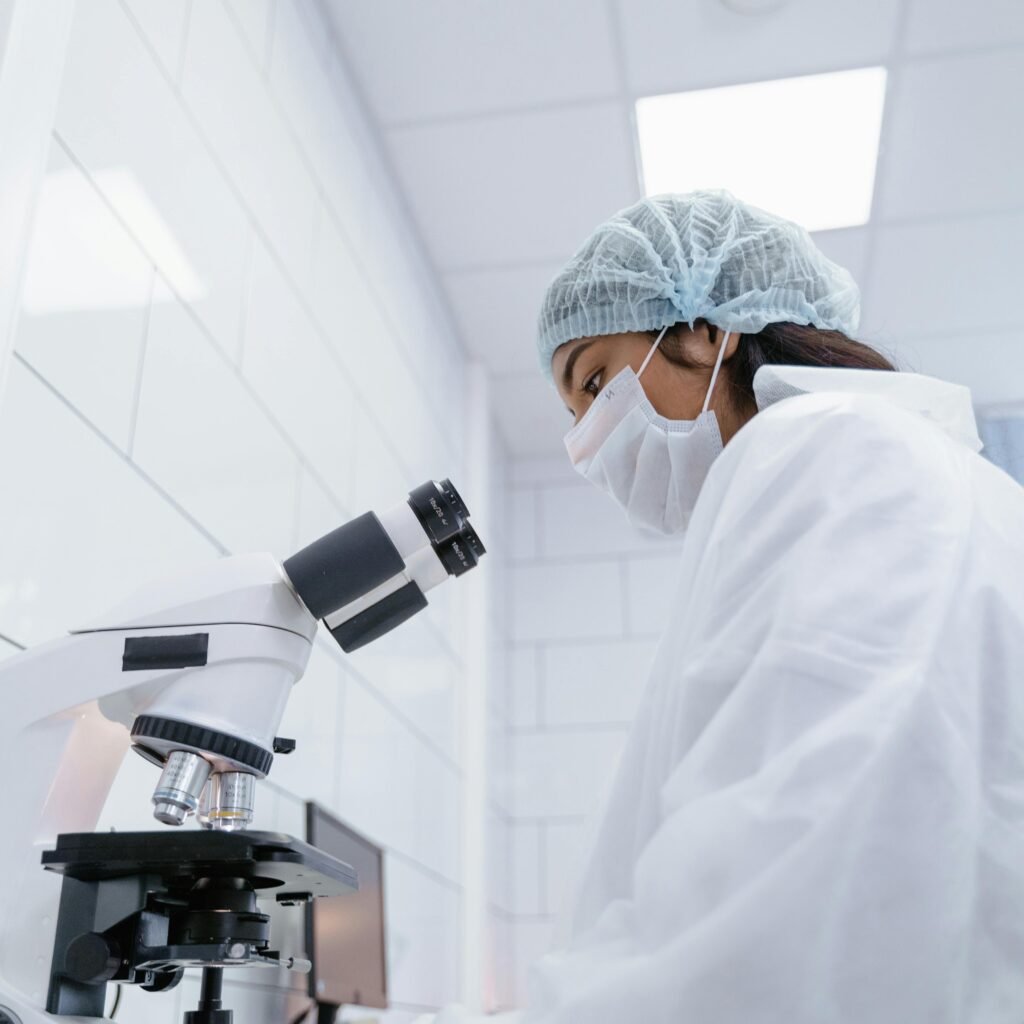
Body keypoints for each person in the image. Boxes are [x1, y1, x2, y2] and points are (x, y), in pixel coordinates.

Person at [435, 189, 1024, 1023]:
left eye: (597, 380)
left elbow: (792, 874)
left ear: (705, 329)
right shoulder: (873, 464)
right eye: (573, 417)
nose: (588, 445)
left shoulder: (829, 448)